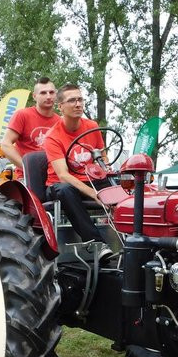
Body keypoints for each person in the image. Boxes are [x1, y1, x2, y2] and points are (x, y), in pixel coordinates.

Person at [43, 84, 113, 255]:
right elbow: (63, 175)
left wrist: (108, 173)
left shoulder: (92, 126)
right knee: (65, 190)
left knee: (123, 186)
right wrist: (94, 194)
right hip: (62, 185)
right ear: (60, 107)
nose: (78, 104)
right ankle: (97, 244)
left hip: (90, 180)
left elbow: (103, 157)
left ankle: (134, 239)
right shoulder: (53, 136)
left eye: (80, 99)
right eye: (72, 100)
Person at [0, 76, 61, 180]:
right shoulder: (22, 115)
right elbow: (5, 144)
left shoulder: (60, 121)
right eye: (43, 93)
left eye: (51, 92)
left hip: (54, 176)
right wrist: (27, 168)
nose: (48, 96)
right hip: (28, 178)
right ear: (34, 96)